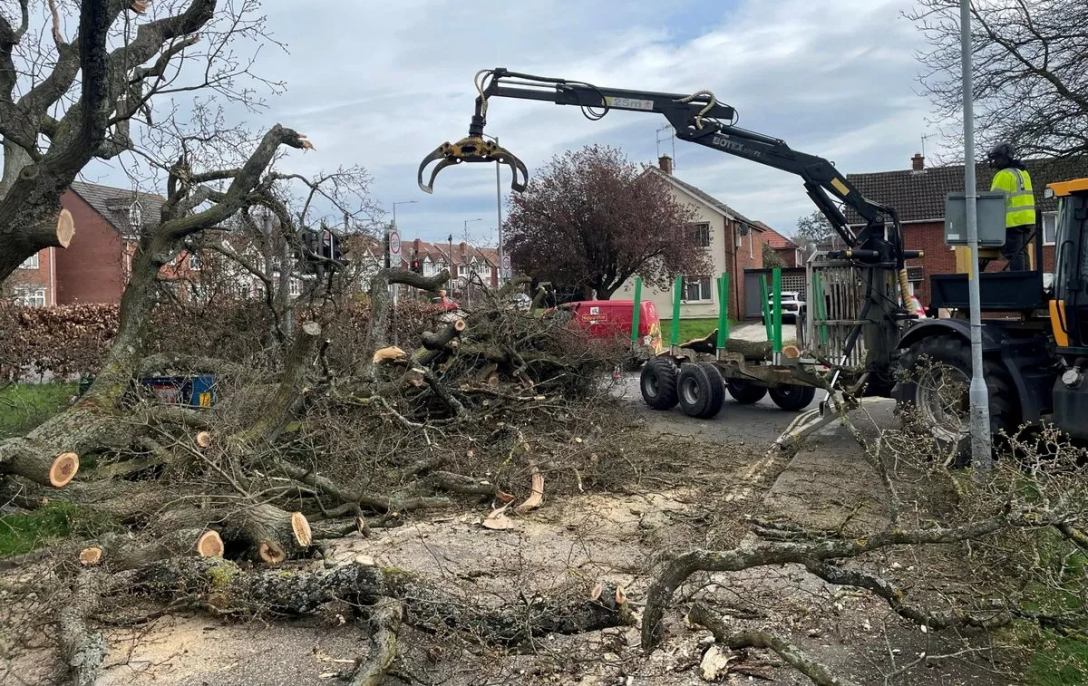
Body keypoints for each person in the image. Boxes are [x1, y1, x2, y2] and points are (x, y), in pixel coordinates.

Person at [986, 143, 1036, 271]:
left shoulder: (1003, 175)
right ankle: (1026, 280)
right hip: (1026, 220)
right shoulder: (1023, 173)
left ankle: (1018, 282)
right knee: (1022, 253)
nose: (995, 162)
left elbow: (995, 201)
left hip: (1011, 221)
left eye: (996, 158)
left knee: (1014, 254)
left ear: (1004, 158)